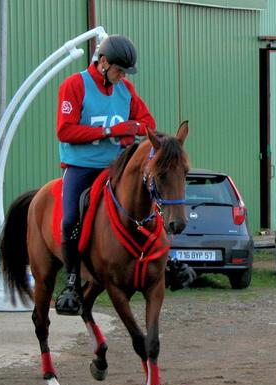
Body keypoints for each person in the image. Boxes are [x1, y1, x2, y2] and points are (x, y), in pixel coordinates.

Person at [54, 34, 156, 315]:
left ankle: (162, 264)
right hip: (82, 167)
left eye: (124, 72)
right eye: (119, 70)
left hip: (117, 168)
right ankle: (72, 282)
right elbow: (65, 130)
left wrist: (132, 128)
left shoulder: (126, 89)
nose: (122, 76)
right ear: (103, 63)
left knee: (148, 204)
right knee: (71, 219)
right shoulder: (75, 85)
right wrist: (111, 131)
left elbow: (148, 122)